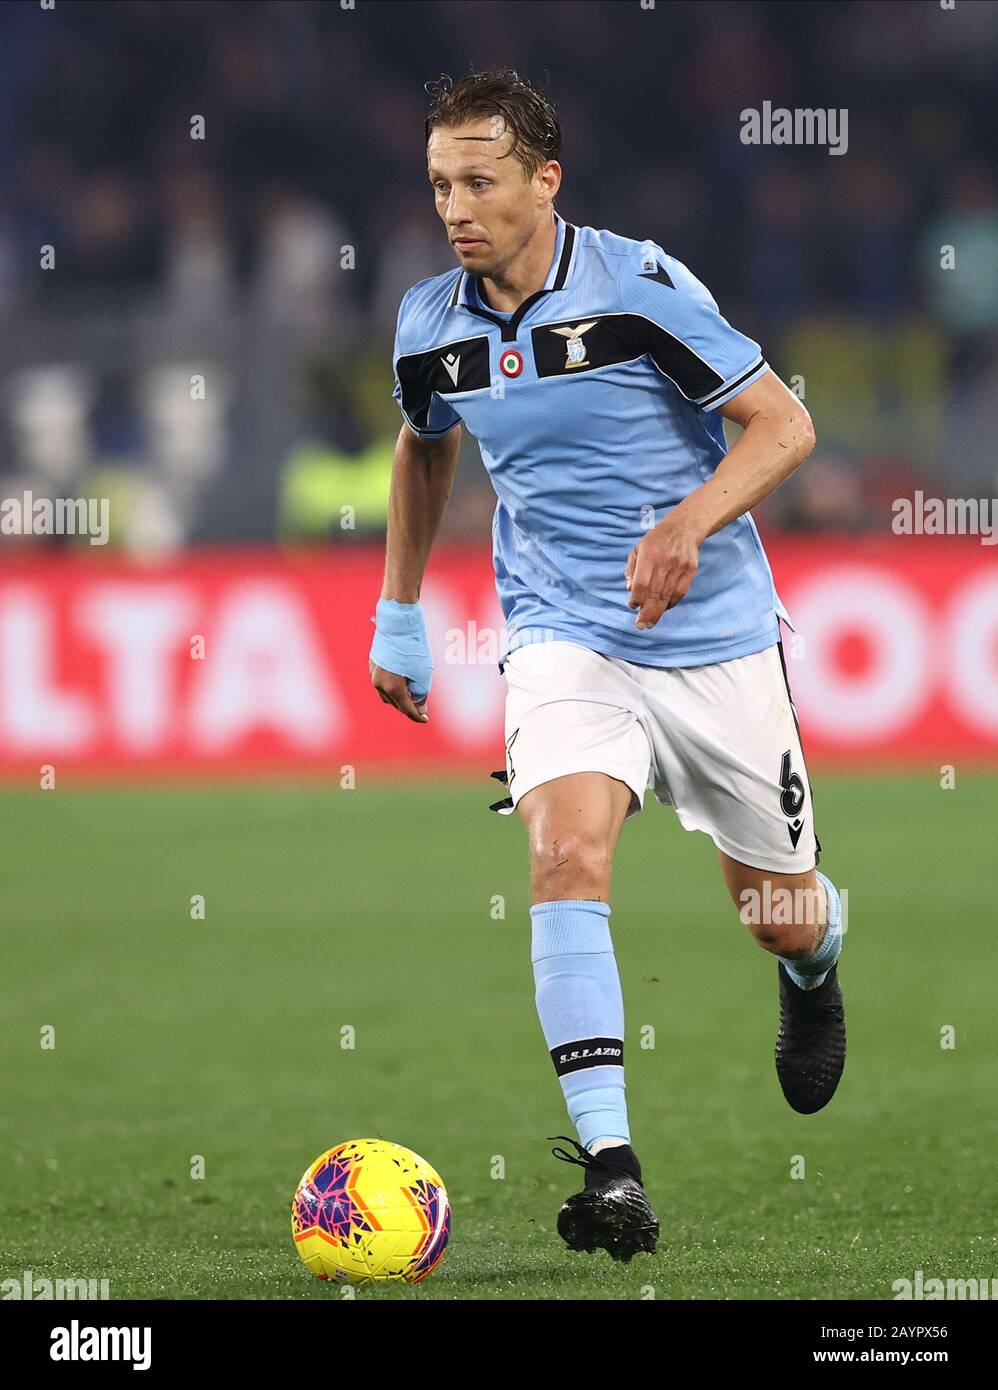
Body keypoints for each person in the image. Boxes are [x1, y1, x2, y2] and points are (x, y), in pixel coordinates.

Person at [370, 68, 845, 1263]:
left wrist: (686, 521)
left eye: (479, 180)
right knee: (563, 854)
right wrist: (397, 608)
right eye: (438, 184)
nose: (455, 207)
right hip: (560, 634)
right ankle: (613, 1168)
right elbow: (425, 453)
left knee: (778, 917)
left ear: (545, 179)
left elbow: (784, 425)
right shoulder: (430, 323)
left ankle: (813, 968)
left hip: (714, 642)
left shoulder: (637, 286)